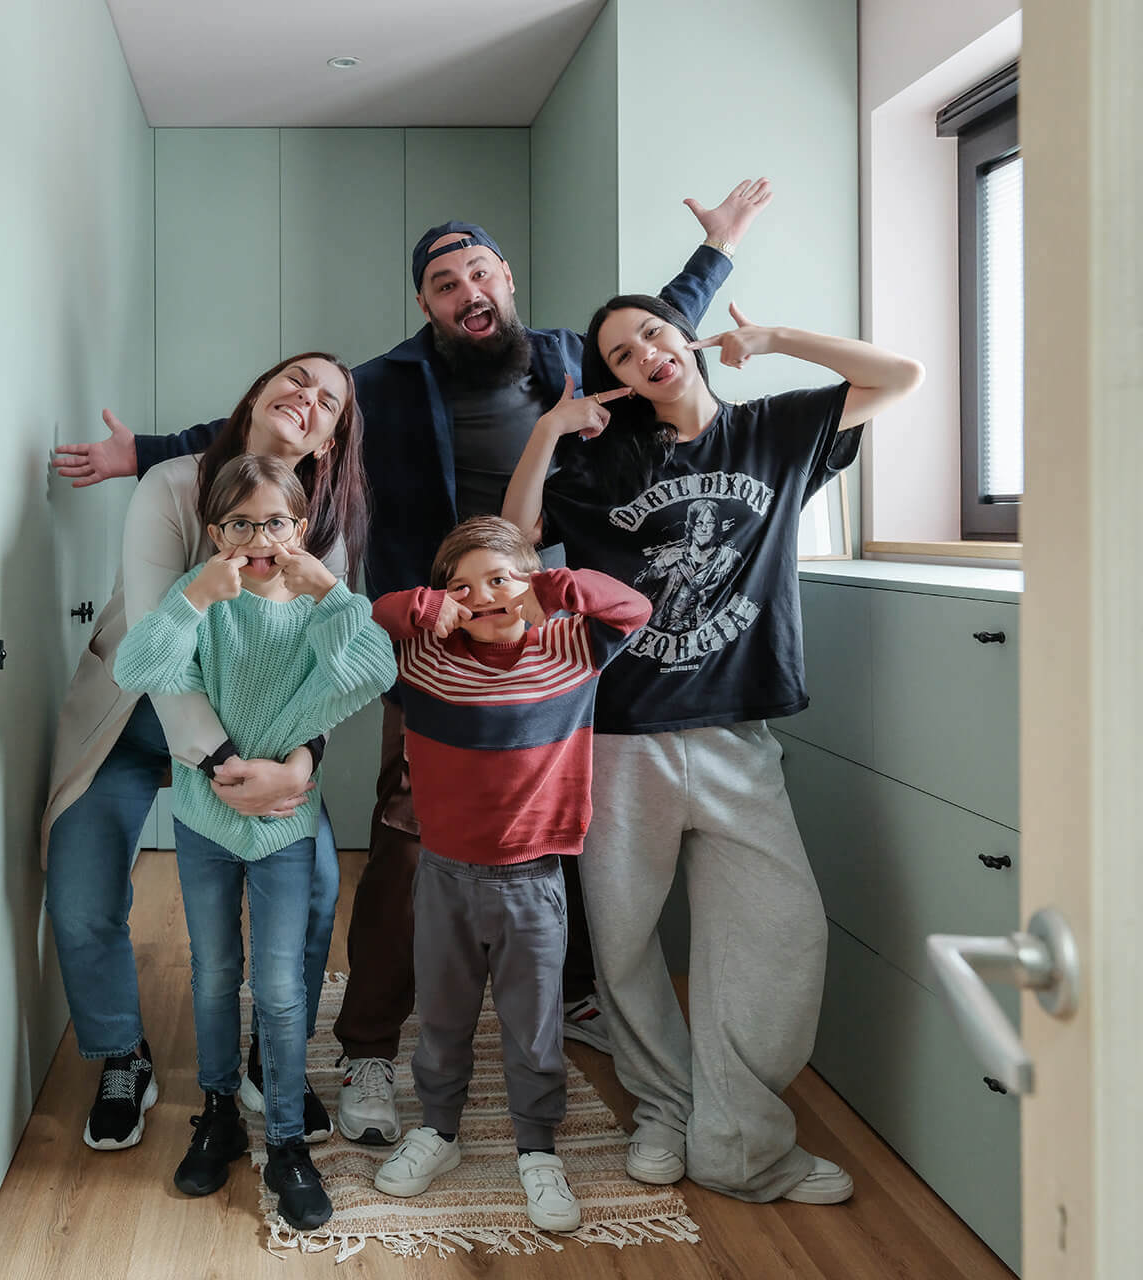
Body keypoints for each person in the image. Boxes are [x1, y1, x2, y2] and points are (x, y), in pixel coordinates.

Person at [56, 179, 774, 1146]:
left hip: (506, 637)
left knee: (534, 827)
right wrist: (136, 451)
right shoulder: (384, 383)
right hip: (312, 668)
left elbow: (658, 342)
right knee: (383, 839)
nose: (465, 289)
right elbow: (255, 433)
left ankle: (555, 998)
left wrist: (716, 253)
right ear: (426, 305)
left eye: (477, 270)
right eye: (443, 282)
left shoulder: (565, 361)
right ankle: (317, 1050)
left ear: (505, 277)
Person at [502, 295, 923, 1205]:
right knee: (621, 940)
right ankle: (665, 1106)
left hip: (738, 734)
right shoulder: (602, 460)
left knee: (782, 932)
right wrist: (548, 430)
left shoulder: (776, 429)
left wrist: (775, 338)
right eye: (621, 352)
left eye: (653, 331)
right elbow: (519, 534)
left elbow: (901, 377)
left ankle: (738, 1139)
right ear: (613, 378)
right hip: (621, 735)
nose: (645, 352)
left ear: (681, 339)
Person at [38, 353, 368, 1154]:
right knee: (79, 891)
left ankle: (269, 1057)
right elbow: (155, 649)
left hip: (262, 731)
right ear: (257, 392)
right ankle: (121, 1052)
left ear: (328, 442)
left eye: (329, 401)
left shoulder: (324, 529)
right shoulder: (170, 486)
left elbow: (341, 662)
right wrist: (219, 763)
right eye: (296, 379)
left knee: (321, 882)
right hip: (137, 716)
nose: (308, 398)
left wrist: (300, 762)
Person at [112, 454, 398, 1231]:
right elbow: (137, 667)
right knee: (212, 976)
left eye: (274, 522)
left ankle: (284, 1142)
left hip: (284, 826)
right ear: (216, 533)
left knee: (277, 986)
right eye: (240, 524)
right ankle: (217, 1114)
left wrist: (331, 592)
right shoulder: (203, 597)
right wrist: (195, 597)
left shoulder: (317, 602)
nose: (258, 538)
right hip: (205, 820)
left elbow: (377, 670)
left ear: (300, 529)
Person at [365, 516, 650, 1233]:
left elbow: (633, 607)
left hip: (532, 878)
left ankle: (537, 1146)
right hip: (444, 875)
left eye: (498, 579)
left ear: (530, 581)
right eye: (462, 586)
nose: (483, 596)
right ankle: (439, 1129)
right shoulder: (424, 656)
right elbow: (368, 622)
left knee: (533, 1024)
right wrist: (429, 608)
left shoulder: (570, 646)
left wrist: (550, 585)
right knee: (442, 1014)